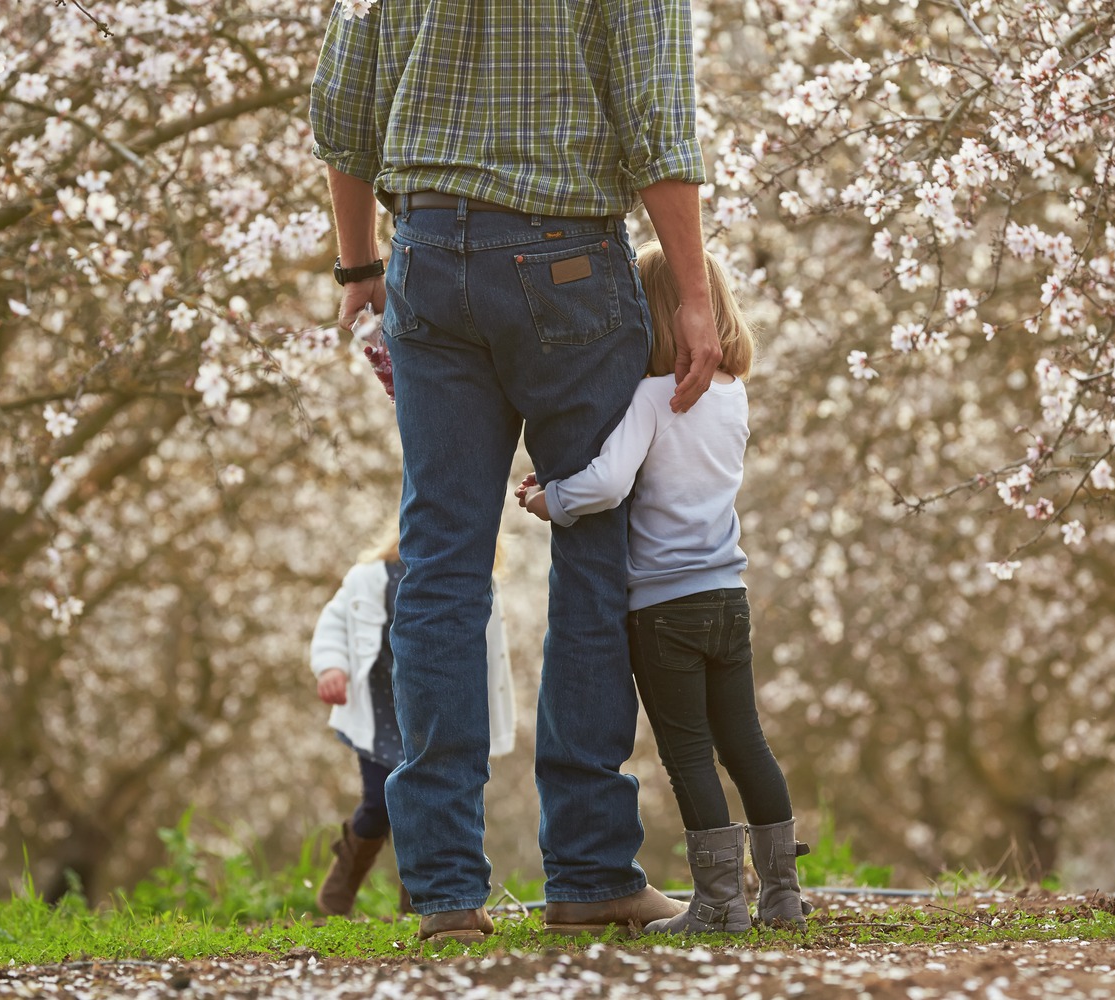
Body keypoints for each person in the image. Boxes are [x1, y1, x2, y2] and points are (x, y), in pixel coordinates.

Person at [309, 0, 722, 942]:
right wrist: (693, 295)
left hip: (424, 257)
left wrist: (357, 264)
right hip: (567, 255)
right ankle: (587, 869)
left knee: (440, 561)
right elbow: (657, 115)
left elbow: (343, 104)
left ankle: (447, 890)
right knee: (593, 543)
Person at [516, 242, 812, 934]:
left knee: (686, 753)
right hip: (726, 596)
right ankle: (782, 897)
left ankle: (717, 905)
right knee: (746, 741)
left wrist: (551, 499)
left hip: (662, 607)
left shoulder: (654, 397)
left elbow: (610, 483)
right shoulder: (733, 397)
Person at [308, 525, 516, 920]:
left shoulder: (475, 581)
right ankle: (340, 887)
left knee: (428, 798)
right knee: (376, 803)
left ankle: (423, 901)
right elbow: (333, 622)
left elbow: (489, 652)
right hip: (380, 709)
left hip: (434, 710)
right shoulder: (369, 577)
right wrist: (330, 666)